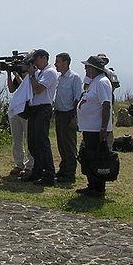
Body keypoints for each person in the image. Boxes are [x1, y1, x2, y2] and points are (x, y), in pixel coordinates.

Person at [7, 49, 58, 186]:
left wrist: (32, 75)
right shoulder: (40, 72)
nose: (34, 63)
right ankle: (37, 171)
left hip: (43, 108)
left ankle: (49, 174)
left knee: (42, 142)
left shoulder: (50, 72)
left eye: (35, 60)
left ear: (43, 58)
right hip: (34, 109)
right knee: (33, 142)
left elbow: (37, 89)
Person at [76, 55, 113, 197]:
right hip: (89, 127)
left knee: (96, 157)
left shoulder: (102, 82)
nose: (85, 69)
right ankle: (92, 185)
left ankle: (98, 188)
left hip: (96, 128)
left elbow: (106, 105)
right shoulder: (94, 81)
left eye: (87, 67)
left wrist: (103, 128)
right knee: (89, 156)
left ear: (94, 69)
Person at [53, 52, 82, 182]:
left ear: (65, 63)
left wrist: (74, 117)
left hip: (68, 113)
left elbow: (77, 98)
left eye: (58, 61)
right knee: (61, 144)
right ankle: (63, 169)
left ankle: (70, 173)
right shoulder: (59, 78)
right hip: (59, 113)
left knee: (69, 145)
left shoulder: (74, 78)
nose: (55, 64)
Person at [7, 71, 33, 177]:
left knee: (29, 139)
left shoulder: (32, 76)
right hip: (16, 109)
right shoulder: (19, 75)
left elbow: (26, 88)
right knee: (16, 139)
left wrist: (17, 75)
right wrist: (9, 74)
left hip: (27, 110)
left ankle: (30, 165)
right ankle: (19, 164)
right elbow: (11, 89)